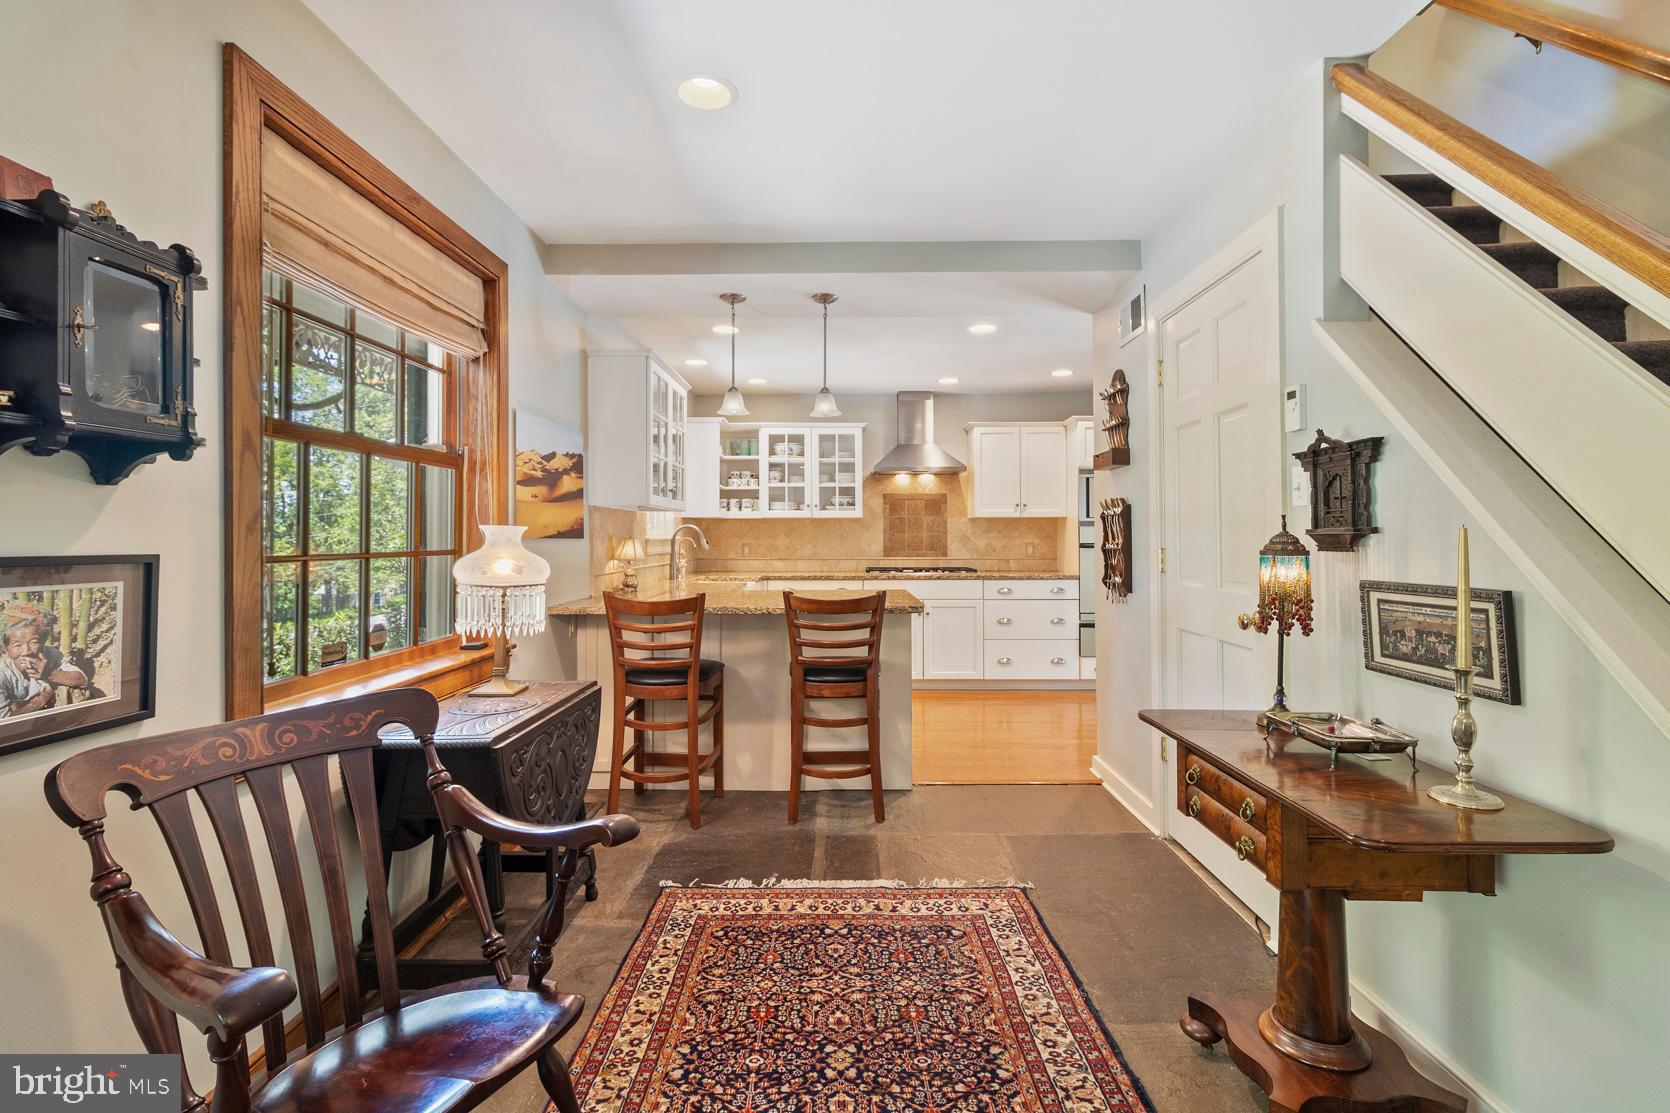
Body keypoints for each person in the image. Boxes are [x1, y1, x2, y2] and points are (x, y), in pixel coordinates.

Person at [1, 602, 90, 718]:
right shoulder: (2, 673)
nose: (26, 651)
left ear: (42, 643)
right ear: (5, 649)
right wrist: (40, 701)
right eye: (17, 645)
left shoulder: (52, 654)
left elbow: (82, 680)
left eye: (34, 642)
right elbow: (3, 722)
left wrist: (49, 673)